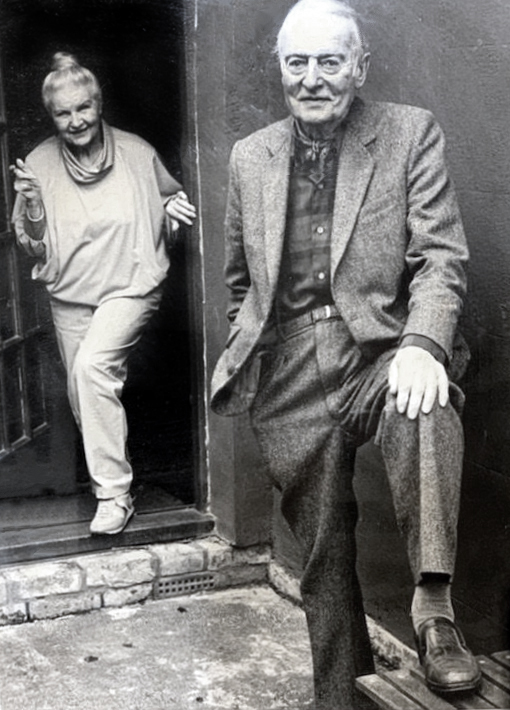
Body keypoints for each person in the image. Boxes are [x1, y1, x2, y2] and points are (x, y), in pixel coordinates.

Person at [210, 1, 480, 708]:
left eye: (330, 61)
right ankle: (339, 697)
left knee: (426, 399)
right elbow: (241, 283)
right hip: (292, 364)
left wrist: (424, 345)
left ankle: (433, 608)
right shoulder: (250, 157)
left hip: (377, 346)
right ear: (280, 68)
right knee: (322, 557)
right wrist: (253, 361)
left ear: (359, 67)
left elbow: (441, 260)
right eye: (297, 62)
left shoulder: (407, 132)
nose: (312, 78)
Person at [12, 52, 196, 536]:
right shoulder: (39, 163)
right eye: (63, 113)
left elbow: (169, 214)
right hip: (70, 294)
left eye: (83, 109)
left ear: (98, 104)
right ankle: (117, 483)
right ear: (52, 117)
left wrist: (173, 218)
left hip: (129, 287)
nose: (75, 121)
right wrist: (33, 205)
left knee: (92, 369)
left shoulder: (136, 152)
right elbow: (33, 246)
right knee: (83, 388)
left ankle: (114, 495)